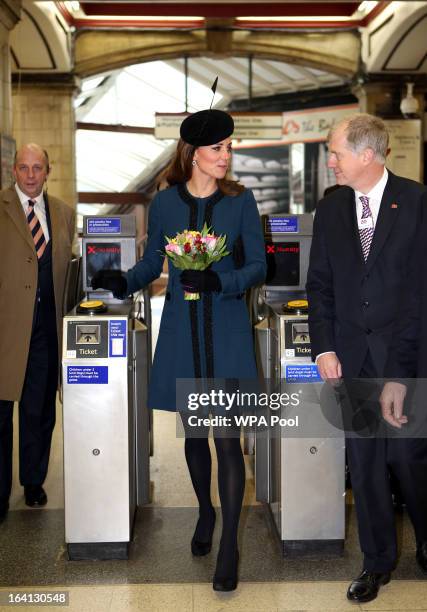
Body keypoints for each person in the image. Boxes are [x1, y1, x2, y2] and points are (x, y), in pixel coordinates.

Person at [92, 108, 266, 591]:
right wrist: (121, 281)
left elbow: (257, 267)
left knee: (228, 442)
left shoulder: (241, 202)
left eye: (229, 147)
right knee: (195, 438)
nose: (227, 156)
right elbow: (152, 263)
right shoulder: (165, 204)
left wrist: (219, 279)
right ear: (193, 153)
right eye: (219, 149)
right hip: (185, 334)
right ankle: (206, 512)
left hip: (228, 333)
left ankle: (229, 544)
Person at [306, 114, 427, 604]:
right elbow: (320, 285)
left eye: (335, 152)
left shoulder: (417, 202)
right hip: (351, 357)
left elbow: (420, 293)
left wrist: (399, 375)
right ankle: (376, 562)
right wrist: (324, 346)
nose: (330, 161)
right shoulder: (331, 208)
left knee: (407, 456)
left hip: (406, 353)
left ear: (367, 155)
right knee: (367, 462)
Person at [0, 144, 75, 522]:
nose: (30, 175)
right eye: (24, 168)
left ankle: (33, 482)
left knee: (40, 412)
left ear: (48, 171)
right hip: (4, 332)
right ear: (13, 171)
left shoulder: (63, 214)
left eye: (37, 168)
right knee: (0, 415)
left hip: (47, 330)